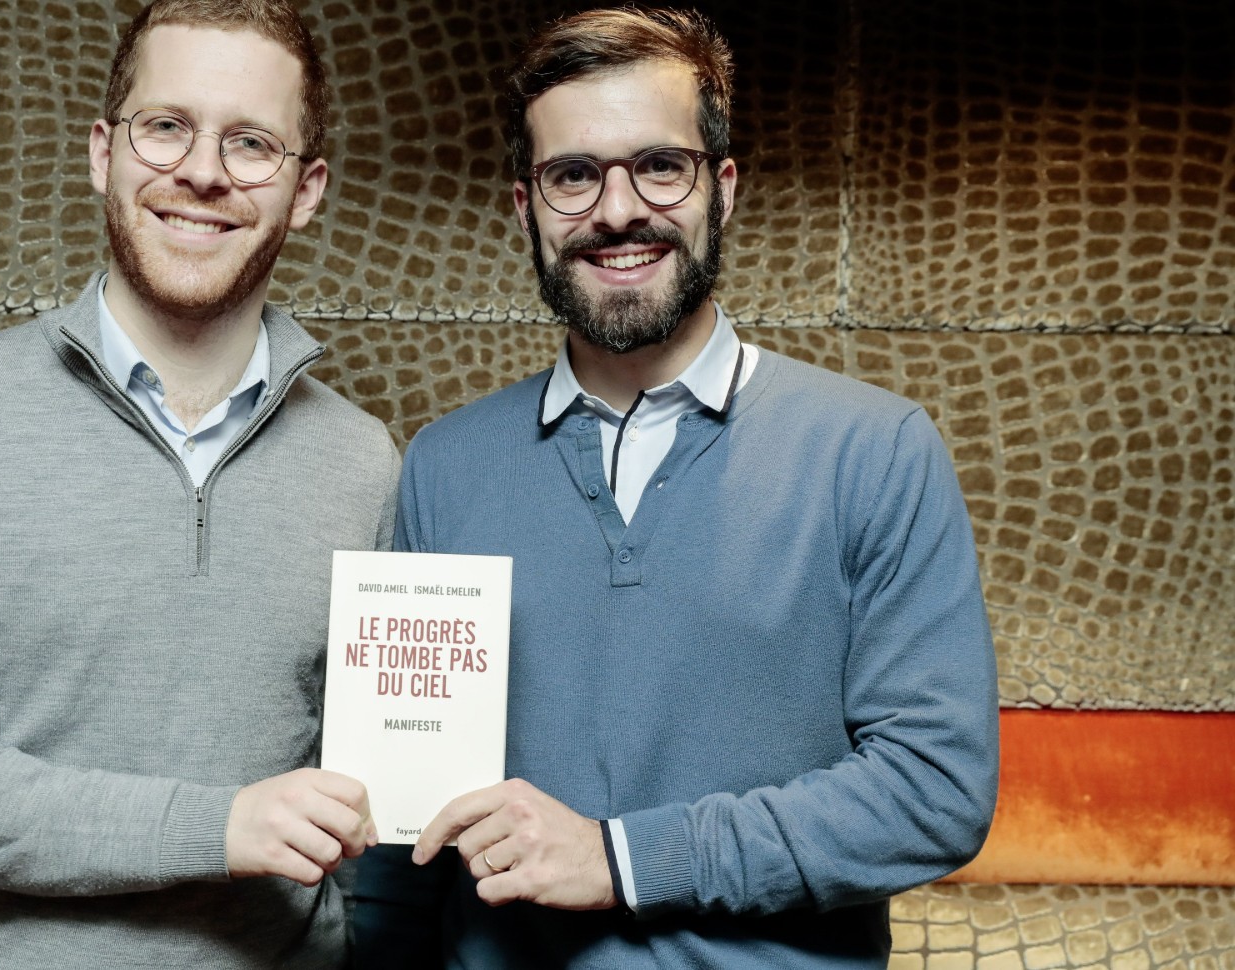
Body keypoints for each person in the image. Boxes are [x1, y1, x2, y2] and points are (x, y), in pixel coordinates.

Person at [353, 8, 999, 968]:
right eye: (574, 174)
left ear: (721, 190)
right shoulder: (444, 466)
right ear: (525, 207)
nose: (618, 210)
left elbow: (934, 792)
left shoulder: (875, 452)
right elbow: (401, 840)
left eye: (660, 166)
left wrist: (622, 858)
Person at [0, 2, 400, 967]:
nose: (203, 171)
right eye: (166, 126)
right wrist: (212, 829)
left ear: (306, 191)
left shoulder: (363, 461)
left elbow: (378, 795)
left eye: (252, 143)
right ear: (104, 153)